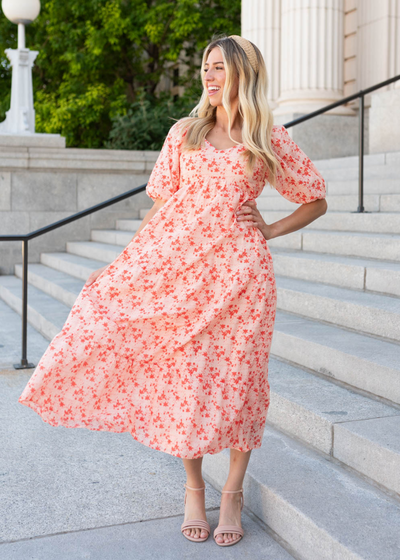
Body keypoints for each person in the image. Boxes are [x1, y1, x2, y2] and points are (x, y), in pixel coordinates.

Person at [18, 34, 327, 547]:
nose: (208, 76)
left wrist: (270, 229)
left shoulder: (269, 137)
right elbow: (160, 208)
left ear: (243, 74)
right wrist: (116, 265)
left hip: (241, 277)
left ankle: (231, 492)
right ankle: (191, 488)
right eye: (205, 68)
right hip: (178, 273)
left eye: (219, 68)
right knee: (186, 382)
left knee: (239, 382)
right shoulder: (184, 132)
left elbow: (315, 200)